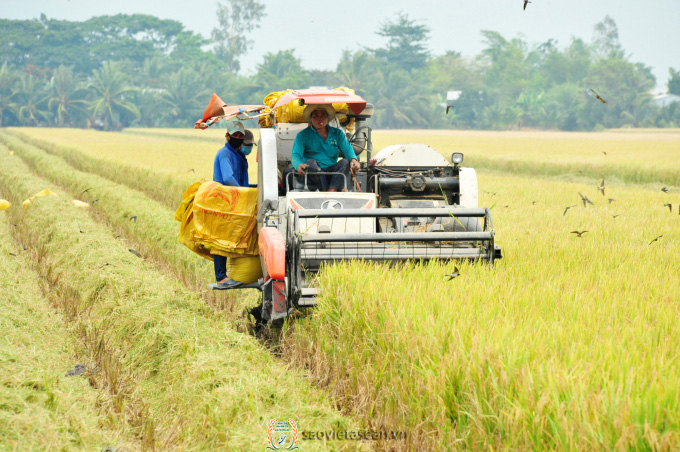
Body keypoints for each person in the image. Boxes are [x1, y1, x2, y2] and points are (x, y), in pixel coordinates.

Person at [209, 121, 258, 290]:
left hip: (234, 199)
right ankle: (221, 277)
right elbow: (229, 179)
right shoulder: (225, 154)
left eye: (240, 136)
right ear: (227, 136)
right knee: (220, 238)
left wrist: (255, 188)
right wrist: (245, 193)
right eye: (235, 135)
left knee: (231, 236)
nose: (238, 138)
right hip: (224, 199)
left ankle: (228, 275)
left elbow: (242, 183)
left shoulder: (239, 157)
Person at [291, 104, 360, 192]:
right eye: (316, 116)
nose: (319, 119)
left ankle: (331, 190)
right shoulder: (302, 135)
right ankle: (328, 191)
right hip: (314, 173)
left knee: (345, 162)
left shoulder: (337, 133)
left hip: (332, 171)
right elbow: (296, 155)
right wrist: (298, 165)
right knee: (310, 163)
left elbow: (347, 149)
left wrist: (354, 159)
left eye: (322, 116)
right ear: (311, 118)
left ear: (327, 117)